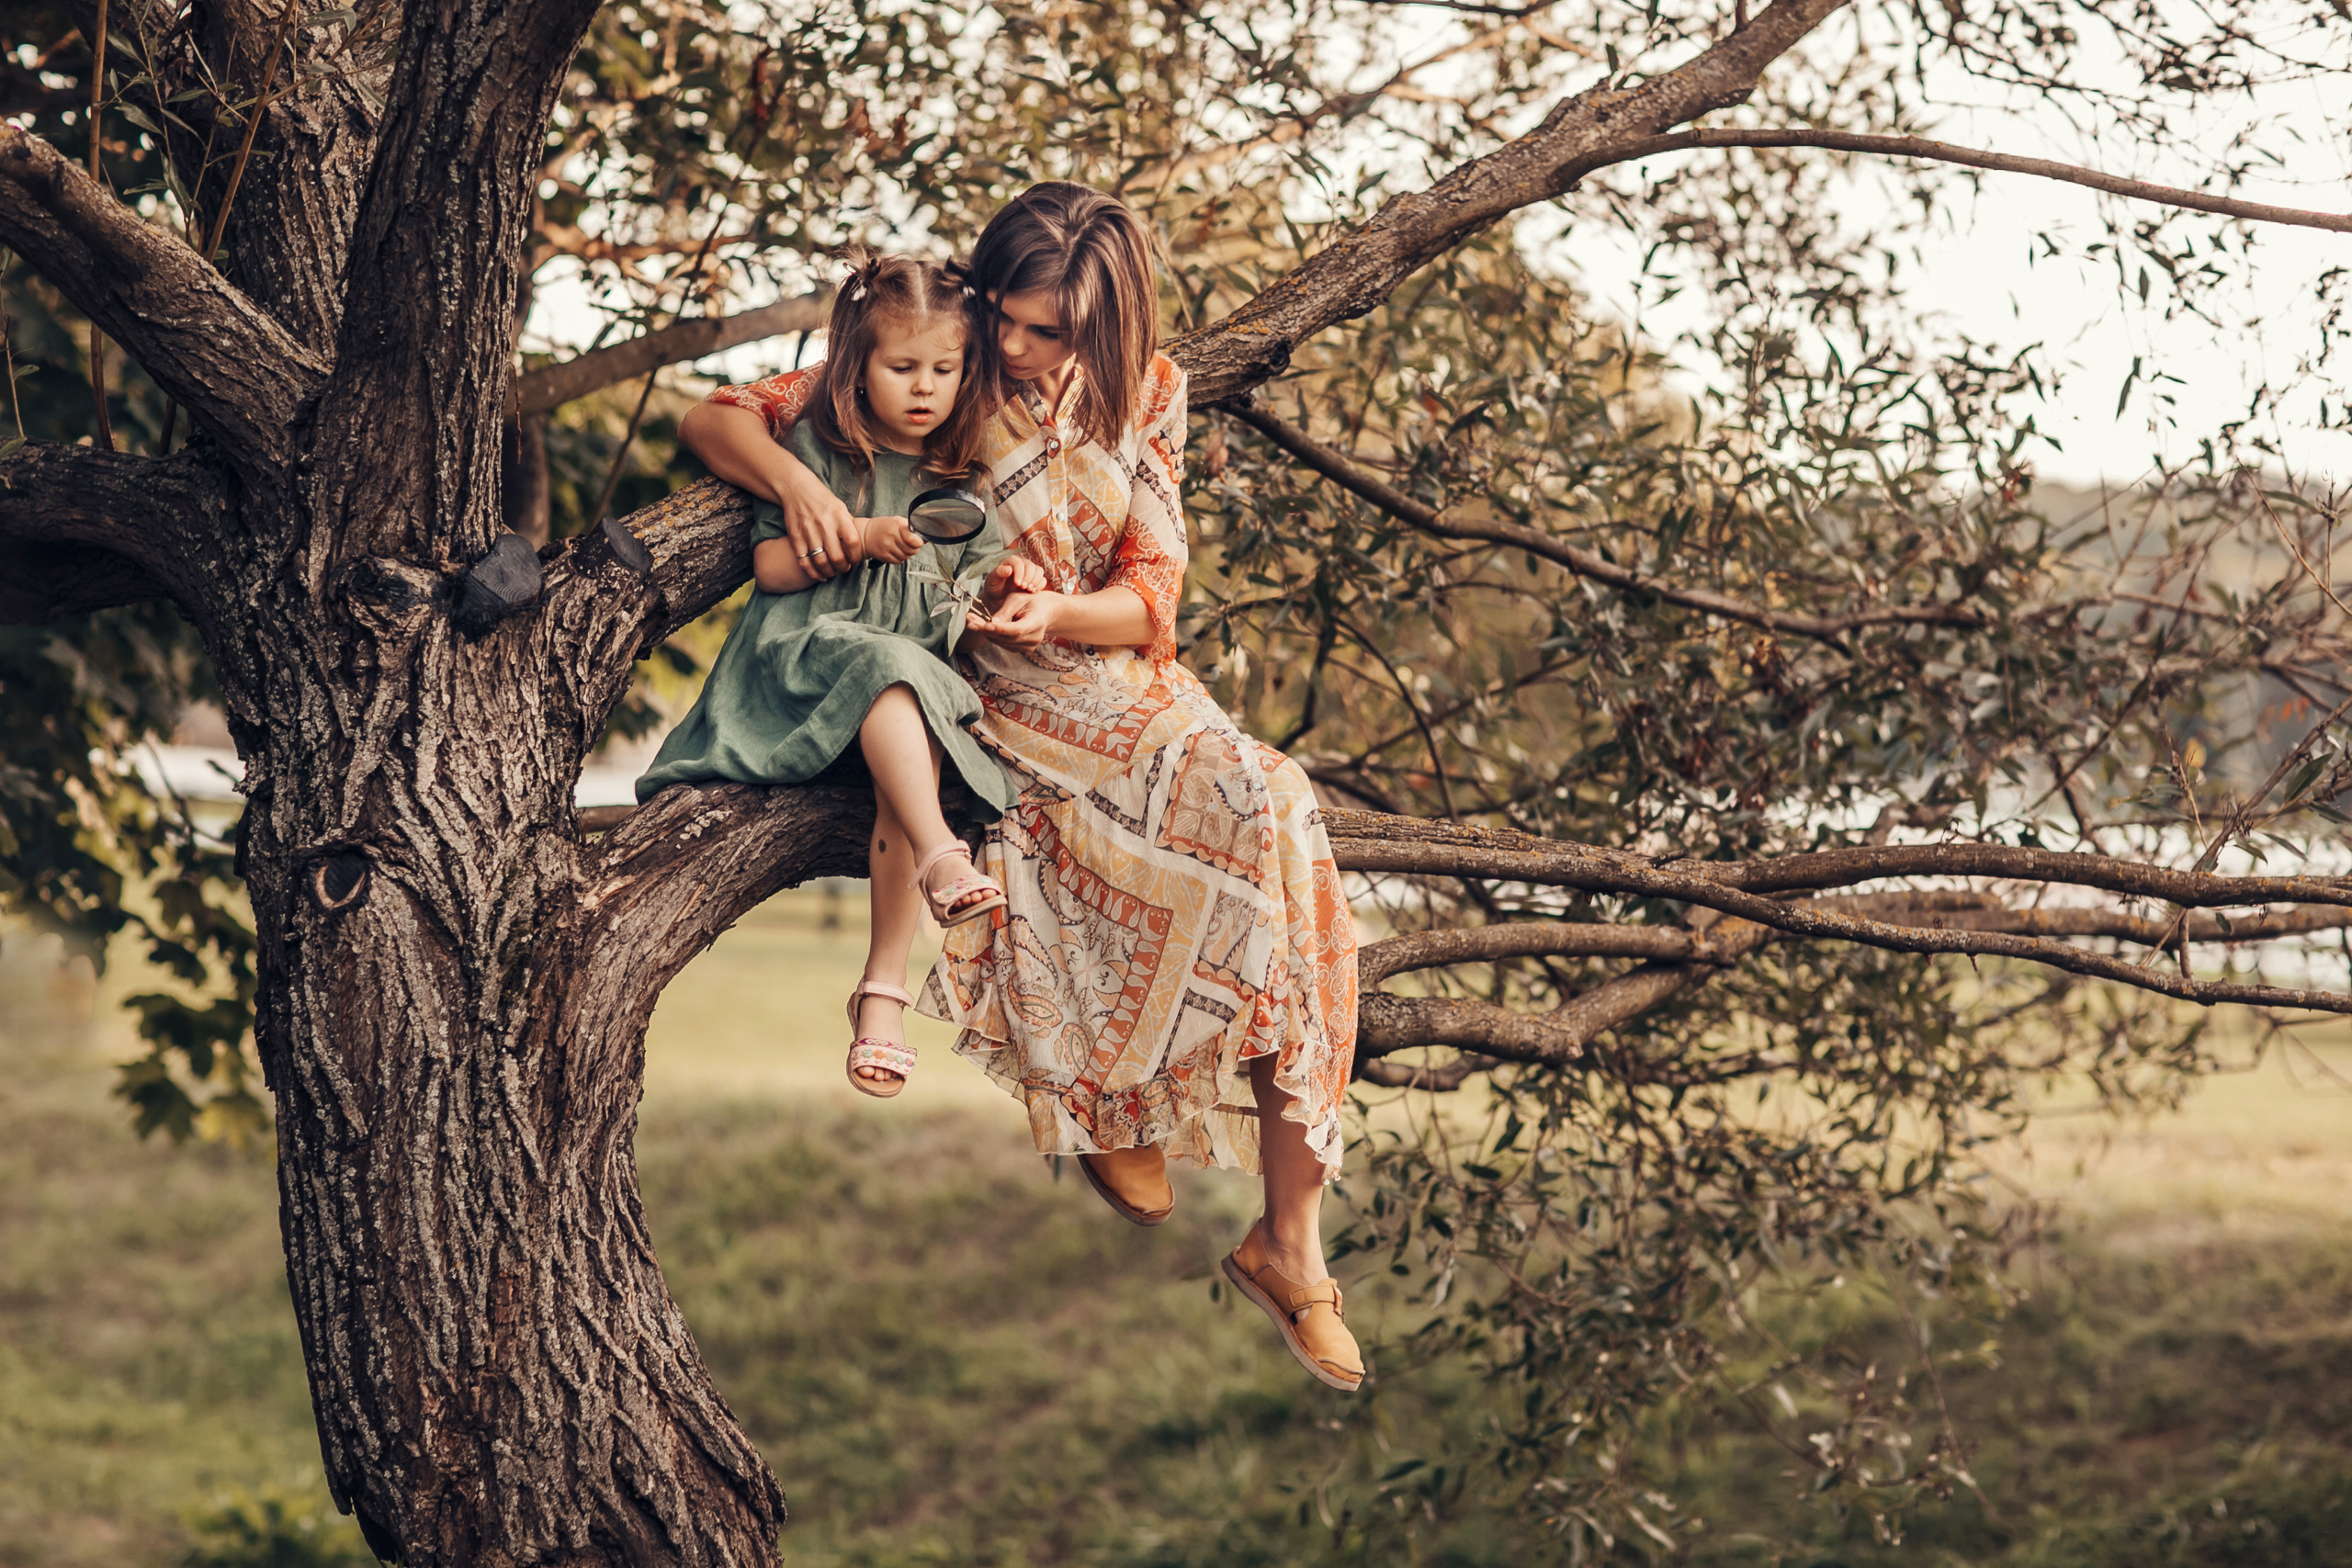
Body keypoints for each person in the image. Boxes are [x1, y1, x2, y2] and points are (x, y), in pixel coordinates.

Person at [677, 186, 1365, 1392]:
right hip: (981, 681)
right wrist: (802, 491)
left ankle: (1290, 1241)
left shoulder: (1145, 390)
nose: (1019, 348)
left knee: (1280, 805)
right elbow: (725, 414)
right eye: (1012, 315)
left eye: (1051, 331)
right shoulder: (935, 356)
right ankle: (1117, 1099)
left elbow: (1154, 592)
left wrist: (1063, 607)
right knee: (1152, 830)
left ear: (1103, 323)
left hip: (1112, 667)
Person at [640, 251, 1047, 1099]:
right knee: (893, 670)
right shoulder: (819, 451)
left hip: (891, 707)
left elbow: (969, 584)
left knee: (913, 706)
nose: (926, 387)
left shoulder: (960, 483)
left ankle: (883, 997)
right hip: (802, 664)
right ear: (856, 369)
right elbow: (777, 571)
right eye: (903, 368)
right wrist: (860, 539)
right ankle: (941, 855)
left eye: (945, 369)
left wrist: (1009, 582)